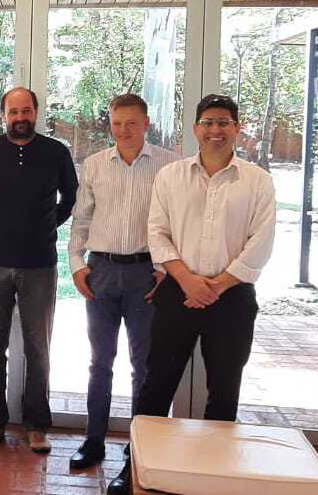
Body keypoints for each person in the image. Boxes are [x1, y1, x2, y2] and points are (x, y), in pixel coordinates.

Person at [106, 94, 276, 494]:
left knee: (224, 389)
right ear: (196, 128)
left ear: (236, 128)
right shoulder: (171, 176)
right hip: (178, 293)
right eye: (208, 122)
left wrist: (217, 285)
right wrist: (188, 280)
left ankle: (213, 476)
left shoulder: (257, 181)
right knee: (157, 384)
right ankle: (136, 467)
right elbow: (157, 233)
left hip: (232, 298)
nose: (216, 130)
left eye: (224, 122)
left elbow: (261, 242)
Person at [66, 94, 178, 469]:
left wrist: (164, 269)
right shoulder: (95, 165)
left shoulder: (168, 165)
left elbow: (175, 222)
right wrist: (77, 264)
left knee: (143, 365)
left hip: (146, 274)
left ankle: (138, 449)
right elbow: (81, 219)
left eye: (131, 123)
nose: (124, 130)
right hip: (101, 272)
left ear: (146, 124)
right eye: (117, 123)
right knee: (100, 362)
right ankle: (94, 440)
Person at [0, 87, 78, 454]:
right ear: (3, 115)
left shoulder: (56, 152)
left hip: (39, 266)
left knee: (38, 348)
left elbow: (71, 198)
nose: (20, 117)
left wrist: (46, 226)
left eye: (26, 111)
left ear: (36, 112)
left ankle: (36, 424)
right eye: (13, 111)